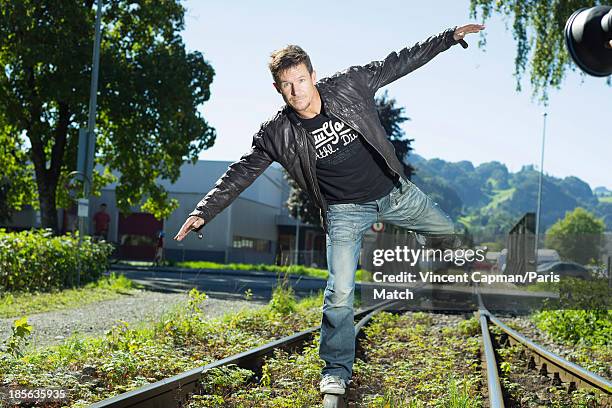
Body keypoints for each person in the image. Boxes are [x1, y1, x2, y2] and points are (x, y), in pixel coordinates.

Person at [174, 23, 485, 395]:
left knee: (445, 234)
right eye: (287, 85)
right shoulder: (277, 133)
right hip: (344, 212)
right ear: (278, 89)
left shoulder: (350, 84)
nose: (296, 91)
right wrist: (204, 210)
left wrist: (448, 38)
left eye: (301, 81)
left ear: (313, 76)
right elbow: (240, 172)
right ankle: (336, 369)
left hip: (393, 193)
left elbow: (400, 61)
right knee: (339, 291)